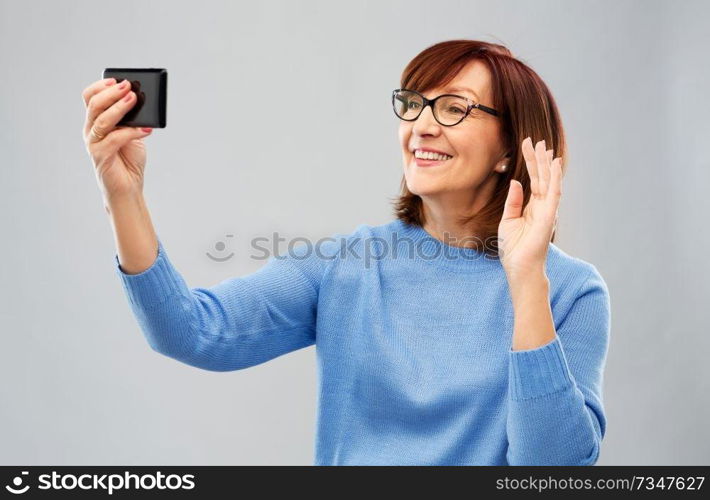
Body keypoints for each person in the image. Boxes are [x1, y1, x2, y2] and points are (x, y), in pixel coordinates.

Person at [81, 39, 610, 466]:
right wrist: (123, 195)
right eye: (414, 103)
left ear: (508, 149)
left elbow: (552, 470)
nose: (421, 125)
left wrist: (525, 281)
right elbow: (190, 332)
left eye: (454, 108)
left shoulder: (570, 292)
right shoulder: (346, 265)